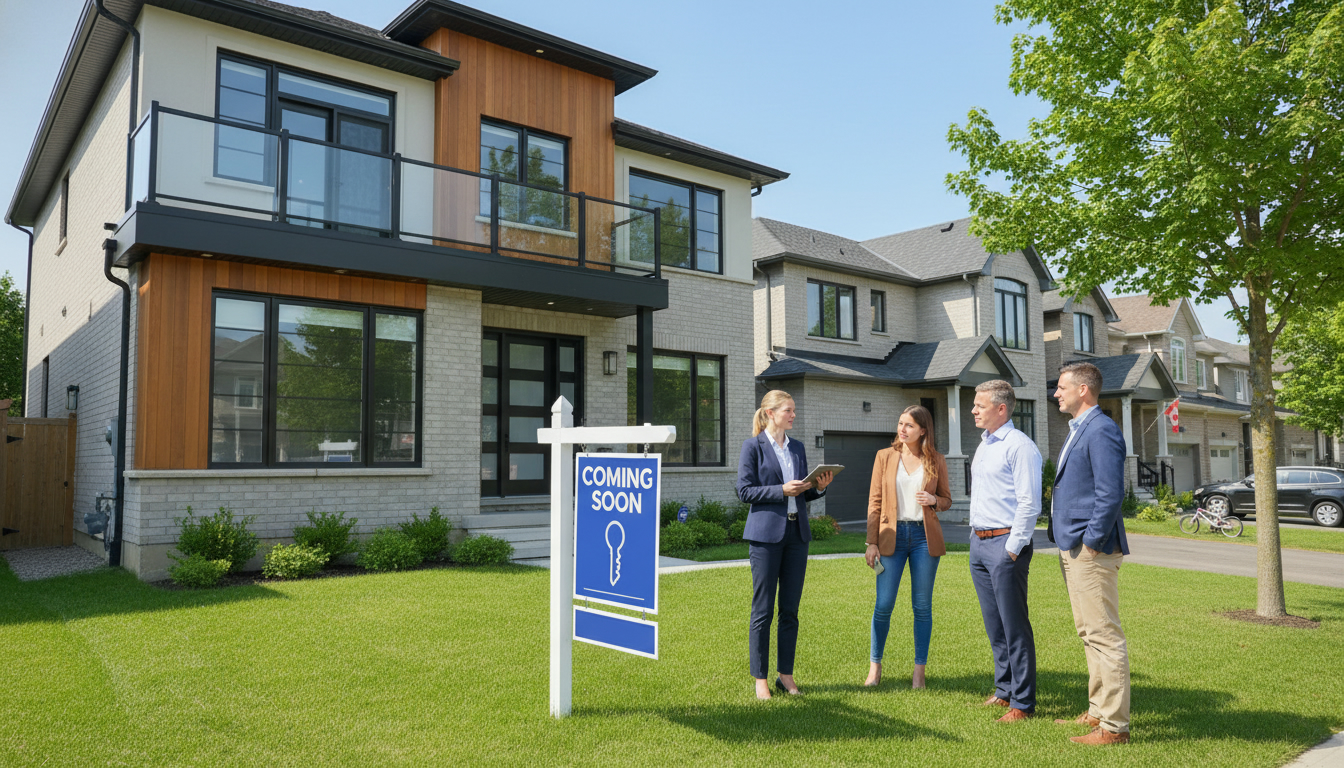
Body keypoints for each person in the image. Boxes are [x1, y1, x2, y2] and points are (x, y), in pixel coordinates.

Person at [1050, 361, 1131, 745]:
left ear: (1083, 390)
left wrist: (1092, 541)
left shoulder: (1101, 429)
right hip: (1073, 545)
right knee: (1089, 633)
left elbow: (1111, 493)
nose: (1056, 393)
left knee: (1104, 635)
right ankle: (1098, 711)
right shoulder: (1079, 429)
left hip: (1091, 549)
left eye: (1062, 387)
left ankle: (1114, 728)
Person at [736, 390, 833, 700]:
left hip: (796, 537)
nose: (793, 415)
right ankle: (760, 678)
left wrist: (818, 489)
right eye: (788, 410)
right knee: (762, 610)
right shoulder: (752, 447)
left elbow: (801, 493)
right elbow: (745, 491)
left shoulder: (798, 448)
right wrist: (781, 490)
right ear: (770, 413)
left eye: (793, 410)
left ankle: (785, 676)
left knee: (790, 610)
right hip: (765, 538)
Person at [968, 378, 1042, 722]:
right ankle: (1004, 691)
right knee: (995, 627)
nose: (973, 411)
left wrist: (1012, 548)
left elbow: (1029, 503)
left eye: (979, 406)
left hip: (1004, 545)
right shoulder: (985, 445)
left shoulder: (1019, 446)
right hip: (979, 544)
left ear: (1001, 408)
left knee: (1014, 628)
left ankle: (1022, 703)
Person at [864, 405, 952, 689]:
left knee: (922, 607)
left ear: (923, 430)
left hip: (924, 539)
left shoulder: (936, 459)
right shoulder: (884, 457)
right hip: (891, 537)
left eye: (909, 425)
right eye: (900, 424)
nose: (902, 429)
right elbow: (874, 502)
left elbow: (947, 499)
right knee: (884, 604)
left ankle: (919, 674)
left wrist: (934, 500)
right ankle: (875, 669)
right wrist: (871, 542)